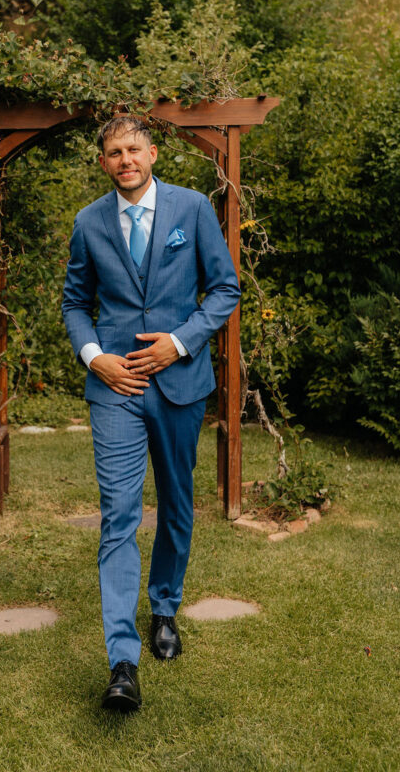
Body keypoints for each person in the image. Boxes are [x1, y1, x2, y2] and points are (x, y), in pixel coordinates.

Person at [62, 115, 241, 712]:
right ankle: (121, 659)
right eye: (113, 152)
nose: (124, 160)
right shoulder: (89, 223)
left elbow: (224, 289)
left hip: (179, 383)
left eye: (133, 149)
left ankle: (164, 606)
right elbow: (74, 304)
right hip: (115, 390)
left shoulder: (191, 210)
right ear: (103, 162)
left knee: (176, 502)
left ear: (153, 152)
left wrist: (179, 342)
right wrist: (95, 359)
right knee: (118, 515)